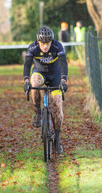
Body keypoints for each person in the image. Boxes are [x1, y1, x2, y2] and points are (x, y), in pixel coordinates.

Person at [23, 26, 68, 154]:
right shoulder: (33, 47)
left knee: (57, 106)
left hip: (55, 76)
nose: (45, 46)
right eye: (42, 43)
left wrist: (64, 81)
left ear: (51, 42)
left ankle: (57, 139)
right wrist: (26, 81)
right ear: (38, 42)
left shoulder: (57, 46)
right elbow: (27, 65)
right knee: (34, 82)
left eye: (47, 43)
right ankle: (37, 113)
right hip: (40, 74)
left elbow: (64, 63)